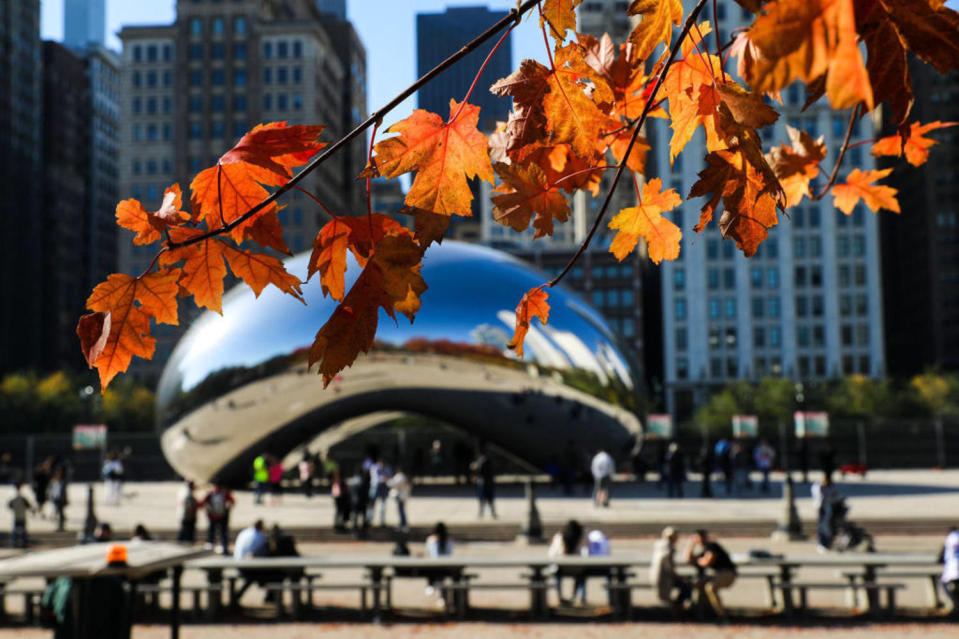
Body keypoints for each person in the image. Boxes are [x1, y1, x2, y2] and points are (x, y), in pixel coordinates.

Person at [685, 529, 737, 618]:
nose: (700, 540)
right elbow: (688, 559)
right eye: (697, 538)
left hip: (727, 573)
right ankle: (701, 613)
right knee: (698, 584)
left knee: (710, 587)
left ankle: (721, 615)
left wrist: (698, 560)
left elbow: (708, 561)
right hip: (716, 574)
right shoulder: (703, 550)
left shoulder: (712, 546)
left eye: (701, 537)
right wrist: (691, 545)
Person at [650, 526, 692, 608]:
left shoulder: (659, 545)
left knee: (685, 583)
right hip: (664, 578)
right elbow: (669, 568)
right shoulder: (669, 548)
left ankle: (677, 605)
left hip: (655, 576)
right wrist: (679, 577)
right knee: (687, 585)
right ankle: (679, 606)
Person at [548, 519, 587, 605]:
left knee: (556, 574)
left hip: (561, 569)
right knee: (582, 575)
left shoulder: (559, 537)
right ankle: (577, 596)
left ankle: (559, 596)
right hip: (577, 569)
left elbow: (551, 553)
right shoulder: (581, 537)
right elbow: (586, 552)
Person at [233, 520, 269, 603]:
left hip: (237, 563)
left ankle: (237, 596)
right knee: (267, 575)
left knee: (254, 576)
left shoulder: (244, 532)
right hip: (247, 565)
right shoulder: (259, 536)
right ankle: (270, 596)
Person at [201, 484, 235, 554]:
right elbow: (232, 502)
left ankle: (209, 548)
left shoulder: (211, 494)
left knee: (212, 533)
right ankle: (224, 548)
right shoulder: (225, 493)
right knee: (223, 533)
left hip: (213, 517)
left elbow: (203, 503)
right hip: (222, 516)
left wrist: (209, 511)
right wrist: (227, 510)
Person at [424, 522, 453, 597]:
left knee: (432, 569)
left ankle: (430, 585)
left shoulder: (431, 540)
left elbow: (433, 555)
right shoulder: (448, 540)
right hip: (444, 566)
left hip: (436, 566)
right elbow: (449, 553)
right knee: (438, 573)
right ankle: (442, 596)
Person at [811, 474, 839, 551]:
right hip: (821, 507)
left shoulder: (829, 487)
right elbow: (818, 496)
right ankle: (822, 543)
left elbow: (833, 494)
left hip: (827, 506)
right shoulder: (818, 487)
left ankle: (827, 543)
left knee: (826, 525)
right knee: (822, 525)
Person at [470, 449, 497, 518]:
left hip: (484, 483)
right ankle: (489, 512)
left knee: (485, 498)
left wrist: (475, 469)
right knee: (487, 499)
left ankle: (486, 512)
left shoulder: (482, 463)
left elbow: (480, 471)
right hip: (487, 482)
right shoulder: (485, 462)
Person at [8, 482, 33, 548]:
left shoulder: (14, 499)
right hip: (22, 516)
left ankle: (14, 541)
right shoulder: (23, 499)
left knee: (15, 530)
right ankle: (24, 542)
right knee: (23, 530)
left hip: (17, 516)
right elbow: (29, 505)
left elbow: (10, 505)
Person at [940, 527, 959, 616]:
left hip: (952, 573)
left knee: (944, 584)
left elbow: (941, 559)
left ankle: (956, 606)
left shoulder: (949, 540)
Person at [368, 457, 392, 526]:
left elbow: (389, 476)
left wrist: (385, 478)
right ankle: (369, 520)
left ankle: (382, 521)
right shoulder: (374, 467)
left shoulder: (387, 467)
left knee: (383, 505)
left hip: (384, 486)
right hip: (375, 487)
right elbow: (375, 477)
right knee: (371, 504)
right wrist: (383, 478)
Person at [347, 465, 370, 536]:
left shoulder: (351, 481)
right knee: (363, 517)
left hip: (353, 501)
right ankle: (363, 531)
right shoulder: (362, 481)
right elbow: (365, 492)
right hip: (361, 501)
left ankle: (354, 531)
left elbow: (349, 492)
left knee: (355, 516)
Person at [387, 465, 411, 531]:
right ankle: (402, 524)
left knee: (401, 511)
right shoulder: (403, 476)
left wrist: (387, 481)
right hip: (402, 496)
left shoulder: (400, 476)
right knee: (401, 511)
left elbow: (394, 484)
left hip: (400, 496)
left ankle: (404, 525)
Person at [48, 468, 68, 532]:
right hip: (55, 499)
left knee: (60, 513)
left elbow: (64, 491)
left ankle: (61, 526)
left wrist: (65, 498)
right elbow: (51, 490)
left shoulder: (62, 482)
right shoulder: (53, 482)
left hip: (61, 499)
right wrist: (51, 497)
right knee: (57, 513)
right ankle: (58, 526)